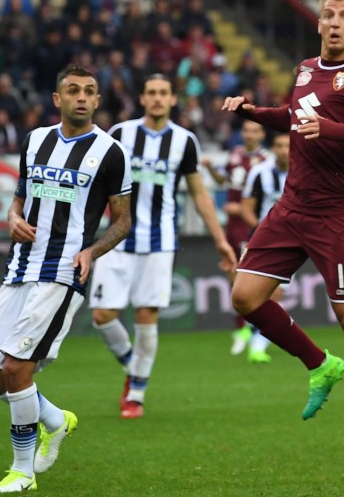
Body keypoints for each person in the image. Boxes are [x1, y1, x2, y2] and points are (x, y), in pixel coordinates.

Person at [220, 0, 344, 463]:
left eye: (343, 16)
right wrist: (252, 112)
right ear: (319, 23)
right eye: (327, 14)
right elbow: (294, 119)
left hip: (340, 214)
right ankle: (320, 364)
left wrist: (333, 129)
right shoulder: (307, 69)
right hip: (292, 207)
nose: (333, 22)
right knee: (244, 297)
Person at [0, 65, 132, 493]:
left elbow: (122, 222)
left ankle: (22, 472)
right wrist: (11, 217)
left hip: (63, 272)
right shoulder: (35, 141)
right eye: (73, 90)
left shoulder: (111, 152)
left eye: (89, 91)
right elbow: (19, 199)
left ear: (98, 101)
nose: (81, 97)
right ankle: (55, 419)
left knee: (16, 368)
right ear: (57, 99)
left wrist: (91, 250)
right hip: (20, 266)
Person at [87, 74, 237, 419]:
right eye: (151, 92)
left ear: (172, 99)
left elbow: (199, 193)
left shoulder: (184, 141)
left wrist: (221, 241)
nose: (157, 98)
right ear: (142, 98)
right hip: (118, 240)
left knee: (146, 315)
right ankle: (132, 364)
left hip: (160, 242)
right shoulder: (121, 134)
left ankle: (136, 392)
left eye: (163, 93)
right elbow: (99, 185)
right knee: (102, 316)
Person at [202, 118, 272, 354]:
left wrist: (241, 208)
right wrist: (211, 168)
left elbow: (264, 196)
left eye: (255, 130)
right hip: (231, 226)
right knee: (232, 275)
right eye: (247, 130)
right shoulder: (235, 153)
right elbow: (224, 181)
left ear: (262, 135)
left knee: (246, 278)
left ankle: (253, 331)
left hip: (248, 226)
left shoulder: (265, 162)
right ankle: (242, 328)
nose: (250, 134)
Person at [237, 132, 291, 363]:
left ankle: (254, 336)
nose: (283, 150)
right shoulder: (259, 172)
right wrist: (262, 231)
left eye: (288, 146)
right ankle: (258, 345)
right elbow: (246, 207)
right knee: (256, 293)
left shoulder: (305, 172)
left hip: (291, 242)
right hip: (261, 239)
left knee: (272, 294)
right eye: (278, 145)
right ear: (273, 148)